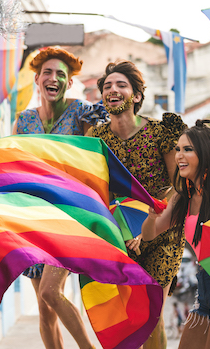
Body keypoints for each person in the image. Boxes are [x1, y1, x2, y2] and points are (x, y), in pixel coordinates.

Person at [87, 60, 187, 348]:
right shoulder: (96, 138)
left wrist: (149, 227)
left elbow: (177, 187)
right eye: (107, 86)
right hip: (120, 237)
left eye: (121, 85)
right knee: (129, 321)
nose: (112, 90)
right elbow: (96, 191)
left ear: (137, 96)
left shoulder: (160, 132)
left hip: (162, 232)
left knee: (151, 319)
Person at [12, 47, 105, 349]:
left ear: (69, 83)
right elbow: (14, 168)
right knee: (44, 307)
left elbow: (94, 161)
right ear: (37, 79)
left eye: (61, 75)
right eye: (48, 73)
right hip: (35, 216)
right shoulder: (23, 122)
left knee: (50, 292)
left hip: (70, 214)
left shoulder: (82, 113)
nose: (54, 79)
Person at [142, 121, 210, 349]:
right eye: (178, 149)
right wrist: (151, 217)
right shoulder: (182, 197)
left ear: (204, 152)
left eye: (188, 149)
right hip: (204, 288)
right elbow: (150, 235)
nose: (179, 156)